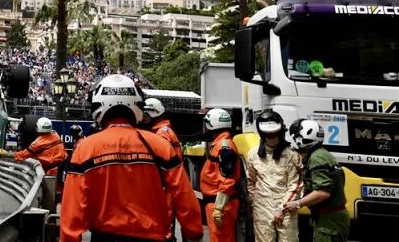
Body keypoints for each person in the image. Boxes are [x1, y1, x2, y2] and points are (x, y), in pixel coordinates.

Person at [61, 74, 202, 242]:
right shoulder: (160, 145)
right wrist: (193, 233)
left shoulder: (85, 149)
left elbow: (72, 210)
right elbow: (184, 196)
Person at [282, 119, 349, 242]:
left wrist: (297, 204)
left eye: (297, 136)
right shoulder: (323, 155)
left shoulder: (317, 158)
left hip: (329, 220)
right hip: (331, 218)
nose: (295, 140)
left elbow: (322, 192)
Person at [246, 110, 302, 242]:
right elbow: (251, 182)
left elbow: (296, 185)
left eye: (274, 133)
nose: (271, 137)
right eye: (268, 134)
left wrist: (282, 209)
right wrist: (256, 203)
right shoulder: (254, 154)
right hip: (262, 208)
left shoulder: (291, 155)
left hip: (286, 208)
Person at [142, 97, 184, 241]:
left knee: (163, 226)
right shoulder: (164, 131)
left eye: (146, 115)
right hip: (166, 186)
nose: (144, 119)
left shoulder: (162, 133)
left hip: (165, 187)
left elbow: (161, 160)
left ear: (155, 113)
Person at [200, 108, 241, 242]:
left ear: (213, 124)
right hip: (219, 202)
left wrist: (219, 208)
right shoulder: (221, 144)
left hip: (220, 204)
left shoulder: (224, 146)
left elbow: (227, 180)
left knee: (221, 238)